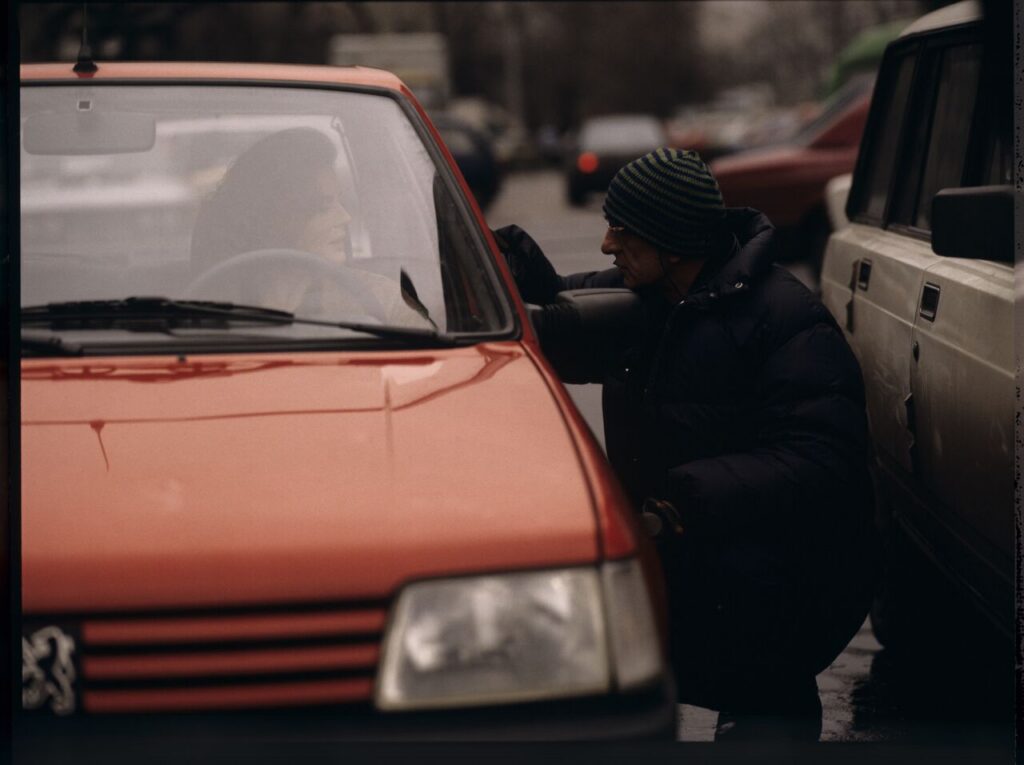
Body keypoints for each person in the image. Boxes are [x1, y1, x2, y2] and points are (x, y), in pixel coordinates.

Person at [492, 148, 877, 742]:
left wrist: (683, 500)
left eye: (621, 230)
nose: (605, 246)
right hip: (689, 555)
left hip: (778, 581)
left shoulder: (786, 319)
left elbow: (823, 458)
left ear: (670, 241)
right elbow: (564, 318)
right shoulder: (651, 295)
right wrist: (507, 264)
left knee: (765, 705)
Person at [189, 127, 424, 326]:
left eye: (340, 202)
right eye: (323, 207)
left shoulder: (385, 302)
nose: (345, 218)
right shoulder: (202, 308)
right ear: (274, 218)